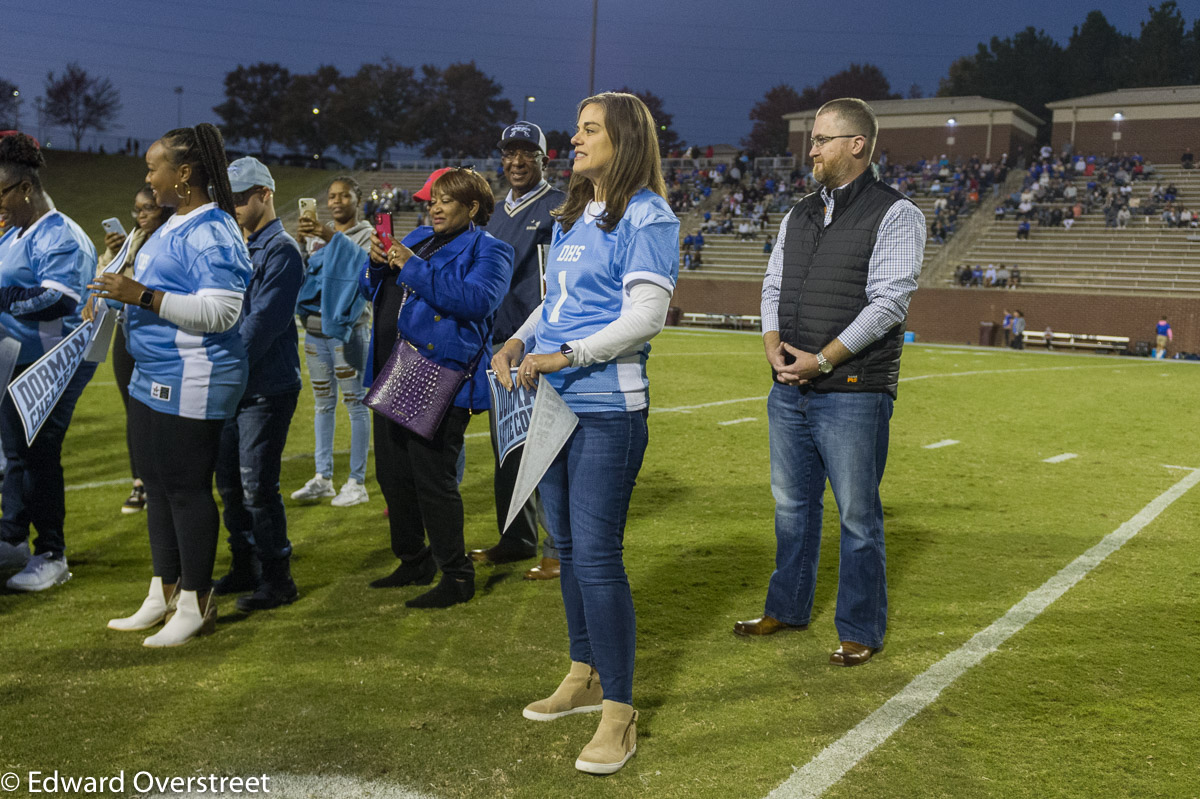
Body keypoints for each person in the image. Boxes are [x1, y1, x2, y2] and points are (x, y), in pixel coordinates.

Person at [493, 91, 679, 775]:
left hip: (606, 407)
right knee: (568, 547)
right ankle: (584, 671)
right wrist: (516, 339)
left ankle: (620, 713)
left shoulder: (649, 214)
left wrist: (565, 357)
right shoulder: (574, 213)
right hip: (555, 402)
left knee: (597, 554)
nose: (575, 140)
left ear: (623, 139)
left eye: (588, 129)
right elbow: (555, 303)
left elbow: (645, 316)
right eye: (576, 129)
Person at [734, 97, 925, 670]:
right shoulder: (799, 212)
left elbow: (889, 304)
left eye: (821, 139)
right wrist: (773, 344)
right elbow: (772, 283)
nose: (810, 149)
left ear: (857, 145)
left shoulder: (896, 214)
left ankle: (860, 627)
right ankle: (787, 608)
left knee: (857, 517)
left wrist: (822, 359)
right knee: (792, 507)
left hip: (854, 390)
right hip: (788, 385)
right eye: (811, 139)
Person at [95, 124, 250, 646]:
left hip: (197, 373)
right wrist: (114, 296)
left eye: (153, 166)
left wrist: (140, 296)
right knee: (157, 487)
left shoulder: (213, 229)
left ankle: (196, 601)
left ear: (184, 174)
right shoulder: (170, 223)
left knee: (185, 489)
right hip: (152, 371)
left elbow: (223, 311)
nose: (147, 176)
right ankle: (163, 591)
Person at [361, 167, 513, 609]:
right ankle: (414, 559)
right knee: (393, 476)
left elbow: (477, 301)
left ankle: (457, 576)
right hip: (397, 368)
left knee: (433, 481)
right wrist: (375, 264)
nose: (436, 206)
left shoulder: (491, 250)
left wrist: (412, 266)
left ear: (472, 207)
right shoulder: (421, 241)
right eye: (433, 199)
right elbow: (374, 291)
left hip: (438, 371)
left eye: (447, 200)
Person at [468, 121, 567, 580]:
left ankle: (556, 548)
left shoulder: (559, 206)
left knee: (543, 448)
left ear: (544, 159)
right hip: (498, 347)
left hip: (535, 347)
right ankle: (515, 538)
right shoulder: (494, 212)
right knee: (507, 448)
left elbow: (554, 286)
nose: (517, 161)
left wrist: (537, 341)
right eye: (510, 152)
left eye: (527, 152)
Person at [0, 132, 98, 591]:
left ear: (24, 187)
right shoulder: (17, 232)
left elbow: (59, 299)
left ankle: (52, 553)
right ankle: (16, 537)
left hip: (54, 364)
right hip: (18, 360)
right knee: (16, 454)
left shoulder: (62, 235)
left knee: (40, 454)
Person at [211, 157, 304, 611]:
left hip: (266, 386)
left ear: (265, 194)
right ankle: (244, 564)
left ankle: (278, 577)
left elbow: (262, 323)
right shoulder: (241, 245)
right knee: (229, 483)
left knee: (257, 486)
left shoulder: (282, 250)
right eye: (230, 199)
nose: (235, 206)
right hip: (237, 383)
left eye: (242, 198)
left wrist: (222, 367)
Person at [292, 177, 374, 507]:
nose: (337, 201)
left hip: (349, 331)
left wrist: (328, 236)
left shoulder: (367, 235)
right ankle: (323, 477)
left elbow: (361, 267)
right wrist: (301, 245)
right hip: (314, 332)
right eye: (332, 196)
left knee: (355, 405)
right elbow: (305, 280)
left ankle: (356, 482)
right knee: (323, 404)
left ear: (358, 199)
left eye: (345, 195)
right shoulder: (317, 239)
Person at [96, 186, 168, 514]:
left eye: (148, 208)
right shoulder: (132, 240)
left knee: (161, 413)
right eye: (137, 209)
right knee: (133, 411)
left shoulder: (169, 240)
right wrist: (113, 255)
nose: (140, 215)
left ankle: (165, 481)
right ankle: (139, 482)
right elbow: (103, 283)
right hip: (126, 331)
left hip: (157, 334)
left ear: (163, 209)